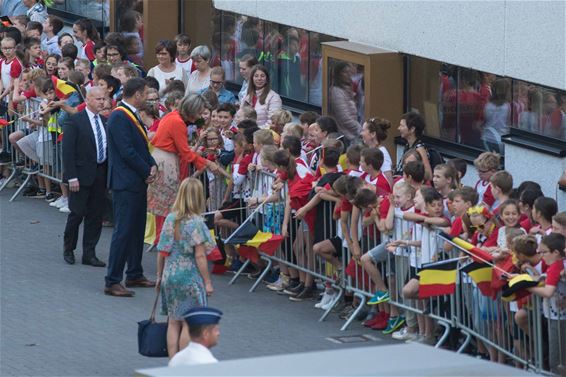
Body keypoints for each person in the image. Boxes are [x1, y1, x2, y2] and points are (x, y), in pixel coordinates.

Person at [105, 78, 157, 297]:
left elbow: (141, 146)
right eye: (145, 94)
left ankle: (134, 272)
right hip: (125, 182)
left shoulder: (131, 114)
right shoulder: (119, 116)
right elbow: (127, 151)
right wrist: (147, 170)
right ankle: (113, 279)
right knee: (124, 231)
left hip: (134, 181)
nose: (147, 98)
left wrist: (152, 165)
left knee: (136, 230)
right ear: (137, 94)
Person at [148, 94, 220, 251]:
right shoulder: (177, 122)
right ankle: (166, 246)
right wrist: (206, 163)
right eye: (200, 112)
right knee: (168, 209)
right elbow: (186, 153)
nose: (201, 116)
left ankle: (164, 244)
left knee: (164, 209)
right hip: (167, 163)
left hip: (163, 159)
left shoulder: (172, 117)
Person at [156, 178, 216, 358]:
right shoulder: (196, 222)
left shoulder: (170, 218)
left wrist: (159, 275)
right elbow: (200, 255)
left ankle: (173, 363)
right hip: (190, 277)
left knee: (173, 322)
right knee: (189, 323)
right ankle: (183, 365)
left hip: (170, 274)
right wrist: (207, 282)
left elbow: (162, 250)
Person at [61, 86, 108, 267]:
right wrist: (71, 176)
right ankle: (69, 248)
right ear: (87, 100)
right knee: (77, 213)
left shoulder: (105, 122)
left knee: (95, 215)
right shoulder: (75, 121)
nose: (102, 102)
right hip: (80, 175)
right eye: (98, 99)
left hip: (100, 173)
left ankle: (89, 253)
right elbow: (68, 151)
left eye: (103, 99)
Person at [328, 61, 361, 144]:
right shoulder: (336, 92)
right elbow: (344, 117)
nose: (348, 74)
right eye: (345, 72)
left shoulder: (348, 89)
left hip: (352, 133)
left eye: (350, 72)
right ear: (338, 74)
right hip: (345, 136)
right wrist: (360, 129)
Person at [240, 64, 282, 128]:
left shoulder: (274, 98)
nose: (259, 78)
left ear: (267, 79)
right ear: (252, 79)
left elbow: (272, 123)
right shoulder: (247, 94)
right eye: (256, 76)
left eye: (262, 76)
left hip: (262, 135)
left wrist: (254, 131)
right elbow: (240, 115)